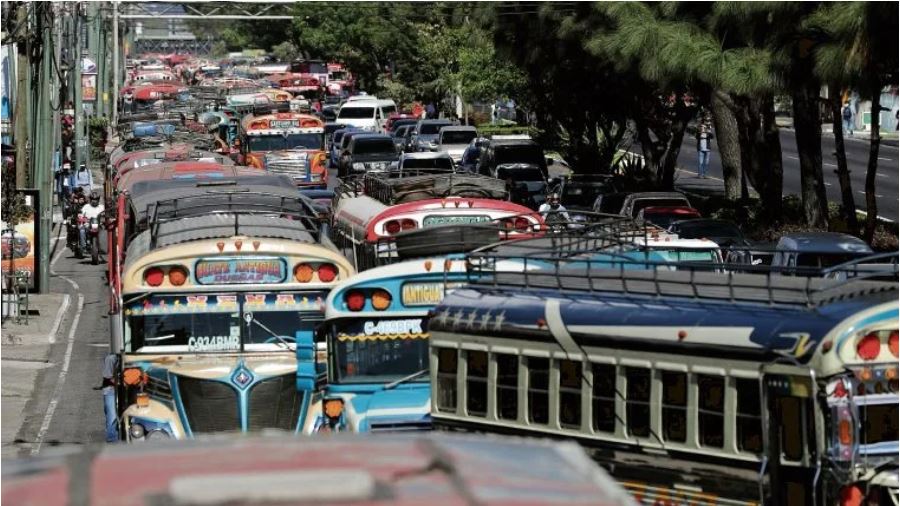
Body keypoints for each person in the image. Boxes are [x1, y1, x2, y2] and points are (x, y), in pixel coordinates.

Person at [100, 353, 119, 442]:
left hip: (121, 389)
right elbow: (108, 377)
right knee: (112, 416)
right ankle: (112, 440)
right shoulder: (111, 358)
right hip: (111, 390)